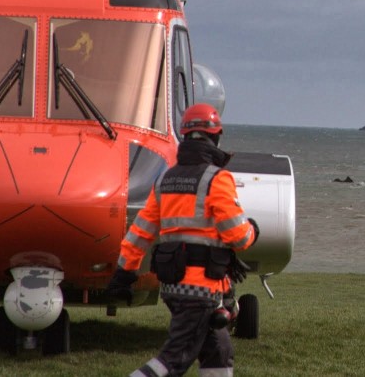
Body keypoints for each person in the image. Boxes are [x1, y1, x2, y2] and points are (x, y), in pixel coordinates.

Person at [107, 103, 258, 377]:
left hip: (173, 287)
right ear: (215, 138)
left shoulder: (165, 179)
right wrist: (253, 231)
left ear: (185, 137)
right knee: (174, 360)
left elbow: (140, 231)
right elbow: (238, 236)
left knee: (218, 352)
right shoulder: (218, 179)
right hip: (202, 290)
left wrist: (125, 272)